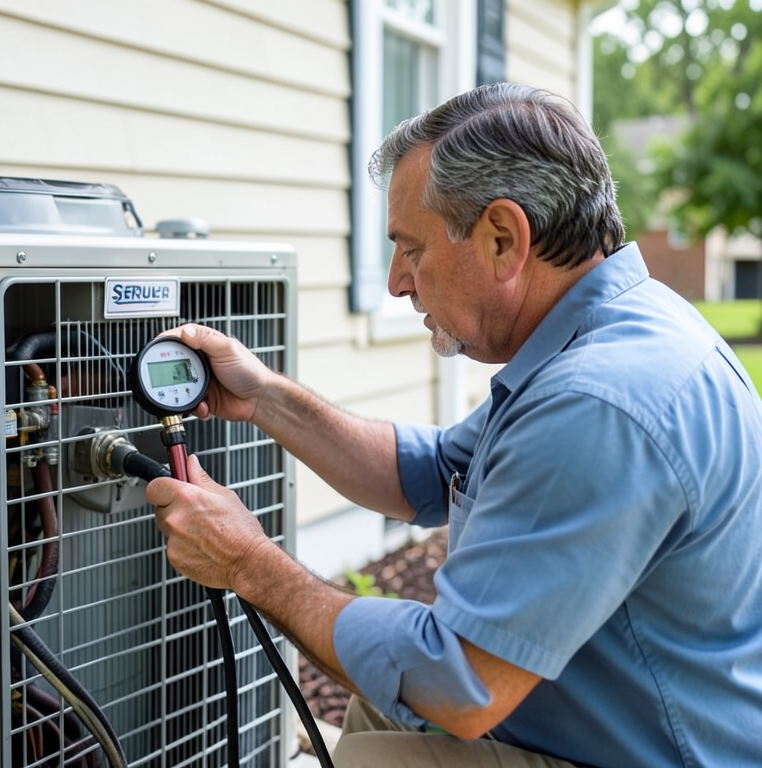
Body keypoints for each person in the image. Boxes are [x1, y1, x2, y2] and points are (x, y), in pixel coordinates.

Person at [144, 82, 762, 767]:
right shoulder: (604, 333)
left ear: (503, 238)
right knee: (376, 704)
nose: (395, 283)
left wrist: (247, 563)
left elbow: (457, 683)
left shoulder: (599, 403)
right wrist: (264, 398)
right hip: (602, 714)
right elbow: (433, 473)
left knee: (378, 754)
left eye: (411, 248)